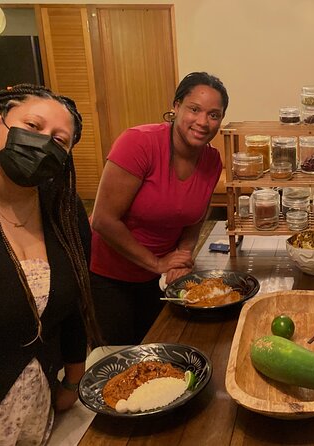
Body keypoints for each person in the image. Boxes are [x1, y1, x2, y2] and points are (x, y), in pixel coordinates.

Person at [0, 84, 100, 443]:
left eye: (60, 140)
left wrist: (73, 381)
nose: (43, 142)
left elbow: (73, 304)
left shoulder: (63, 210)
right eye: (33, 126)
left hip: (37, 411)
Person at [90, 72, 228, 345]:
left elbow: (195, 218)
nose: (203, 122)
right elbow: (104, 220)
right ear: (176, 107)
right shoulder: (138, 143)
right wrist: (157, 262)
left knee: (162, 347)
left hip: (164, 278)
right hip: (113, 275)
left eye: (214, 114)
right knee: (120, 357)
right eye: (194, 109)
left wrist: (183, 255)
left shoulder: (212, 160)